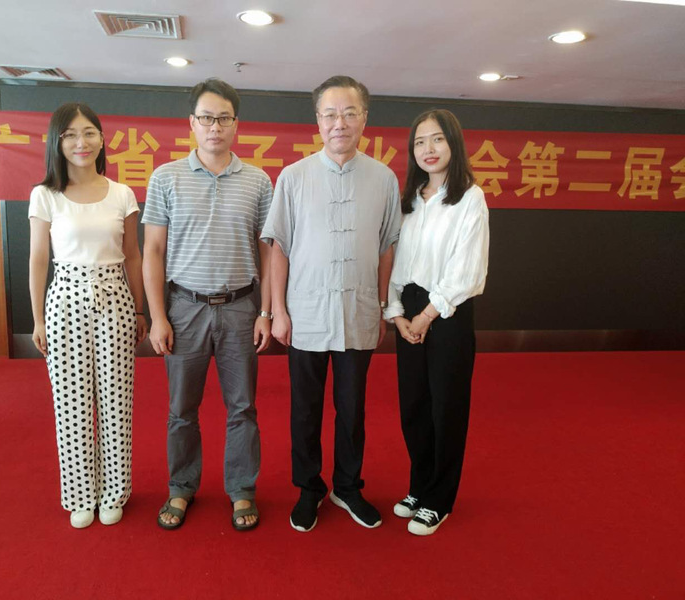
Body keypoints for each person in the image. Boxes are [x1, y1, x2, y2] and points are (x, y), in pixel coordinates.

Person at [261, 75, 401, 532]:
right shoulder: (294, 177)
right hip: (305, 314)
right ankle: (309, 488)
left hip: (359, 312)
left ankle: (347, 486)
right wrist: (278, 311)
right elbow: (279, 247)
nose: (339, 122)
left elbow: (387, 247)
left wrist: (382, 305)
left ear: (364, 119)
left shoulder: (383, 178)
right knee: (305, 409)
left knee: (352, 409)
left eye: (349, 113)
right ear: (318, 121)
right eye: (330, 114)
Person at [142, 78, 273, 531]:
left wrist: (265, 312)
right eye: (206, 118)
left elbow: (267, 252)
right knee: (182, 408)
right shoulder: (166, 177)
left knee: (243, 407)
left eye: (223, 118)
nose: (214, 126)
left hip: (240, 306)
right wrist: (157, 316)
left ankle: (242, 489)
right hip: (184, 307)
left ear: (236, 124)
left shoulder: (258, 181)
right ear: (192, 123)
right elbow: (153, 251)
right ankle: (181, 486)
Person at [28, 103, 147, 529]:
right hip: (64, 300)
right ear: (57, 142)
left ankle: (114, 491)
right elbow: (38, 259)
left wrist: (140, 310)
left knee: (116, 400)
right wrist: (38, 320)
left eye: (89, 133)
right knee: (71, 402)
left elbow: (133, 256)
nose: (82, 142)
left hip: (115, 298)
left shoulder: (122, 193)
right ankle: (80, 494)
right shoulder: (45, 195)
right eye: (71, 135)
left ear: (101, 139)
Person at [384, 109, 489, 536]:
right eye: (420, 142)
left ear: (454, 144)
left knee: (447, 407)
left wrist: (427, 315)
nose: (428, 149)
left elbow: (467, 269)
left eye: (438, 139)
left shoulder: (469, 198)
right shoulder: (409, 198)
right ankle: (419, 486)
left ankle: (440, 499)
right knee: (414, 405)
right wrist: (396, 312)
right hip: (408, 310)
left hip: (447, 312)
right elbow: (394, 259)